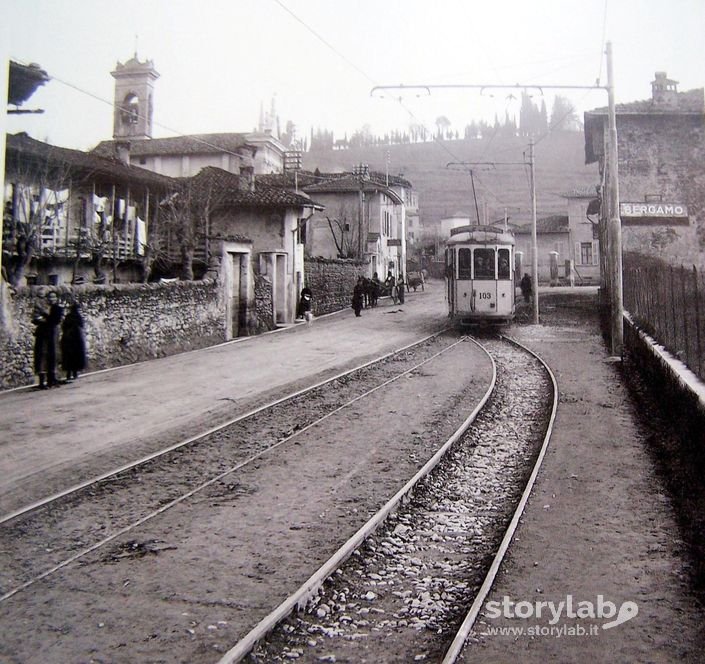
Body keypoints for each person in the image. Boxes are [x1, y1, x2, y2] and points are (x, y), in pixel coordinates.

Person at [32, 288, 63, 389]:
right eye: (50, 297)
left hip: (53, 334)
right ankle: (42, 382)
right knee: (42, 356)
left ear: (57, 298)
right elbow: (35, 318)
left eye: (54, 297)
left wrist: (45, 317)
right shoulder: (43, 307)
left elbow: (55, 320)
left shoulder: (57, 308)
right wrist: (44, 319)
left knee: (53, 356)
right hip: (43, 335)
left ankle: (52, 379)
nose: (51, 299)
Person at [61, 302, 87, 381]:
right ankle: (74, 373)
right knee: (75, 356)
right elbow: (81, 326)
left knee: (69, 357)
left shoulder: (68, 317)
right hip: (76, 340)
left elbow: (64, 327)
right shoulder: (79, 317)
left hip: (68, 339)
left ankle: (69, 374)